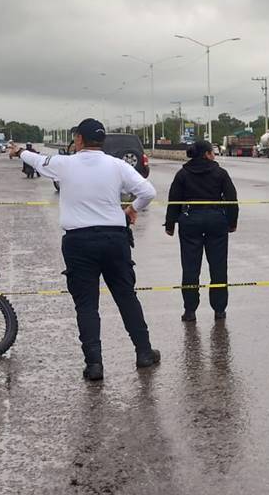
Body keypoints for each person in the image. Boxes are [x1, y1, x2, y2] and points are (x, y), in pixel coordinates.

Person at [11, 118, 160, 382]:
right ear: (102, 141)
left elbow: (36, 160)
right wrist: (131, 209)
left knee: (86, 305)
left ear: (79, 139)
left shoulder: (64, 164)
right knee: (126, 296)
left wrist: (18, 151)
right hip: (115, 240)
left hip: (78, 242)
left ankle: (94, 365)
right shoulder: (118, 166)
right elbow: (148, 191)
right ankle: (144, 353)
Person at [164, 140, 239, 322]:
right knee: (218, 266)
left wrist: (170, 224)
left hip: (190, 220)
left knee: (190, 268)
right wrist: (232, 222)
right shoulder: (220, 173)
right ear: (206, 154)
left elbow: (174, 199)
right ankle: (219, 310)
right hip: (216, 220)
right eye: (212, 152)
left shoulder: (182, 174)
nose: (214, 155)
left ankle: (190, 311)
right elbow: (231, 199)